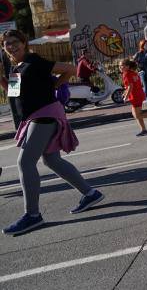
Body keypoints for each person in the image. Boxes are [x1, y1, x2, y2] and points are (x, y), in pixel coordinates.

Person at [0, 30, 104, 236]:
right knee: (51, 161)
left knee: (25, 162)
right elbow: (13, 93)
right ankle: (90, 193)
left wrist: (55, 85)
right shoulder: (15, 67)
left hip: (45, 114)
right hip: (33, 116)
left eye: (14, 42)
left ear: (24, 42)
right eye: (6, 44)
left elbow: (70, 69)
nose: (11, 46)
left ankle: (32, 215)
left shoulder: (34, 60)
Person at [120, 58, 147, 136]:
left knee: (138, 115)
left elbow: (130, 87)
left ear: (127, 66)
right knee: (135, 114)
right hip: (138, 94)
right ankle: (144, 130)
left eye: (121, 66)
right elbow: (131, 86)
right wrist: (125, 93)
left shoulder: (126, 74)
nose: (120, 68)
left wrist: (125, 97)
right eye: (119, 66)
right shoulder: (133, 73)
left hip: (135, 96)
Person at [133, 40, 147, 108]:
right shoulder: (139, 53)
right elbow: (132, 61)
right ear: (142, 45)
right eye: (146, 44)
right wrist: (138, 66)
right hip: (143, 72)